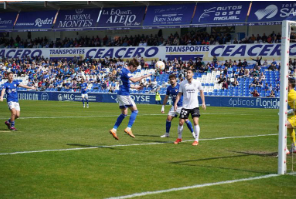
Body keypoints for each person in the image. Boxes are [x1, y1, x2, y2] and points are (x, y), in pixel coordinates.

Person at [109, 58, 151, 140]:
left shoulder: (122, 70)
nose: (134, 70)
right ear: (131, 66)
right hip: (124, 94)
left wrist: (135, 87)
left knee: (124, 113)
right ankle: (128, 128)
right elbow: (134, 80)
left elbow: (126, 84)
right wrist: (144, 76)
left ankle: (114, 129)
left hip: (120, 93)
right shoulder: (126, 71)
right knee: (135, 111)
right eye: (134, 68)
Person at [174, 69, 206, 146]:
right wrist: (175, 103)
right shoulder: (182, 83)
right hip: (185, 106)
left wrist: (203, 102)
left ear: (192, 74)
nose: (187, 74)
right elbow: (179, 94)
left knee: (195, 122)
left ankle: (196, 140)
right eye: (187, 73)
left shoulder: (197, 82)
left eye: (189, 73)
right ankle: (179, 138)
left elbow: (201, 92)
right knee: (181, 122)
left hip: (194, 106)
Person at [286, 78, 296, 153]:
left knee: (283, 125)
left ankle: (284, 148)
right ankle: (294, 146)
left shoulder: (292, 94)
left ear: (289, 84)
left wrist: (287, 112)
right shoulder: (290, 93)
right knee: (287, 126)